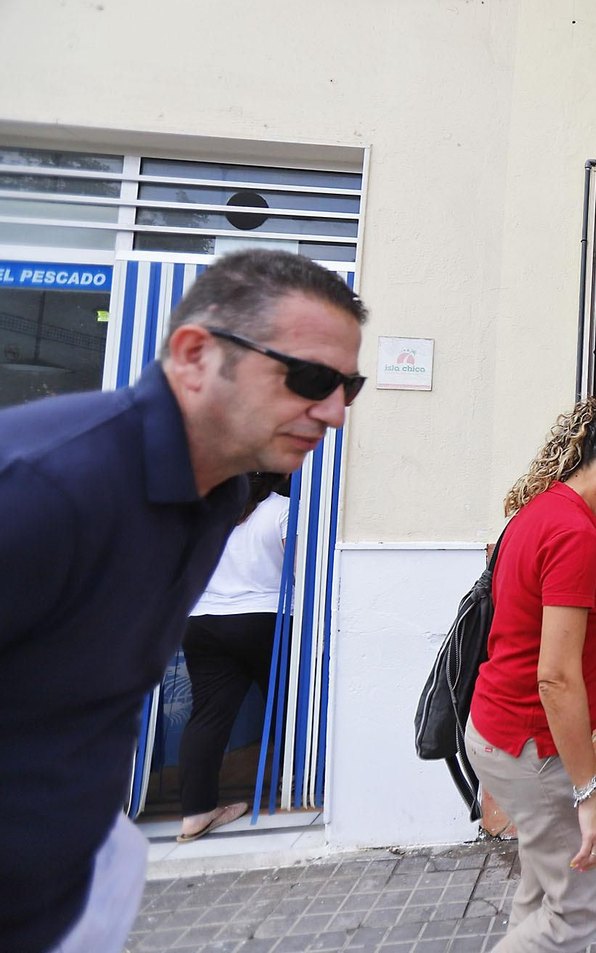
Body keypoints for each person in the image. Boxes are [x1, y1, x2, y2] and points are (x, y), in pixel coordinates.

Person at [0, 249, 366, 953]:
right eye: (312, 377)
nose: (334, 412)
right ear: (195, 354)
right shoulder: (40, 488)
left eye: (350, 386)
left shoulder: (220, 491)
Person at [465, 400, 596, 953]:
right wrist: (589, 793)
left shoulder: (543, 510)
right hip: (532, 743)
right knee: (579, 908)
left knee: (542, 890)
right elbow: (554, 677)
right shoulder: (573, 533)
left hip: (501, 730)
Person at [177, 472, 293, 843]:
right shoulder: (283, 511)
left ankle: (195, 815)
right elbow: (301, 571)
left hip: (203, 623)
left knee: (208, 717)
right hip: (263, 619)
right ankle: (297, 791)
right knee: (289, 706)